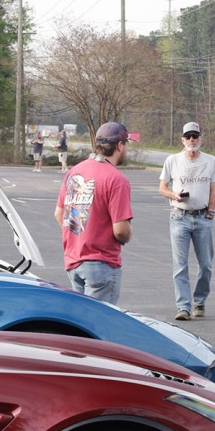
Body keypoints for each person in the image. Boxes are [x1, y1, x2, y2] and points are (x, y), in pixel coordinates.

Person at [53, 121, 133, 304]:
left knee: (81, 317)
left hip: (74, 261)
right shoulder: (116, 179)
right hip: (101, 263)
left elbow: (59, 214)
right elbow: (120, 230)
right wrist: (128, 234)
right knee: (98, 319)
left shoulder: (75, 171)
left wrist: (81, 236)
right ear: (120, 145)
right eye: (127, 144)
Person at [158, 121, 215, 321]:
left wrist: (211, 211)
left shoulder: (210, 161)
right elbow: (162, 188)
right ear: (183, 140)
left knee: (206, 265)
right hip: (179, 217)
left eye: (195, 136)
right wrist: (174, 195)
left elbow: (213, 189)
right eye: (188, 136)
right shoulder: (172, 160)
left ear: (201, 138)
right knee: (180, 265)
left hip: (203, 217)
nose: (192, 140)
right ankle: (183, 307)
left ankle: (199, 301)